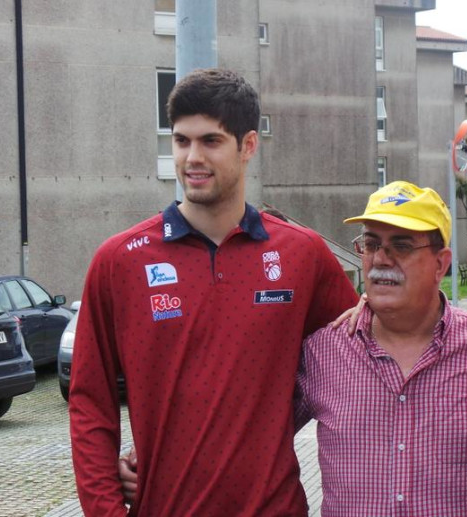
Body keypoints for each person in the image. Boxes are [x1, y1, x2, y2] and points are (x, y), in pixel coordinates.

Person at [121, 181, 467, 515]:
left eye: (401, 245)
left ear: (441, 264)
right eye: (370, 243)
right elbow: (241, 427)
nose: (381, 258)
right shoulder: (323, 354)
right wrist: (153, 455)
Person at [69, 68, 358, 516]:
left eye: (210, 141)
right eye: (181, 141)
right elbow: (90, 402)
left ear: (247, 146)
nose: (192, 157)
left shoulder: (302, 254)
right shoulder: (120, 261)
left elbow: (357, 356)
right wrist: (105, 508)